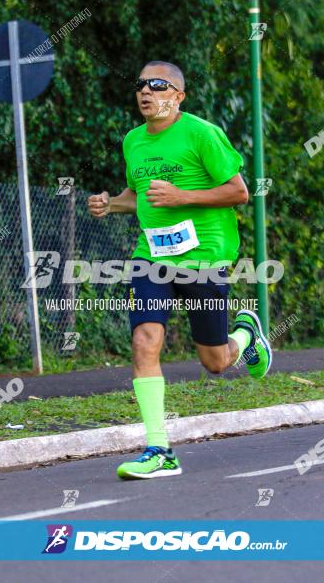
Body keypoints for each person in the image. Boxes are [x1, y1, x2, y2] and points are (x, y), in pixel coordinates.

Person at [88, 60, 273, 479]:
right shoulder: (133, 141)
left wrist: (182, 196)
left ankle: (246, 336)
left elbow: (239, 192)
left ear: (178, 95)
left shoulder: (202, 133)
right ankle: (159, 450)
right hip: (152, 256)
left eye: (158, 85)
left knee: (215, 361)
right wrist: (110, 203)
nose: (146, 91)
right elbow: (141, 197)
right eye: (141, 85)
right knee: (144, 341)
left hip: (203, 255)